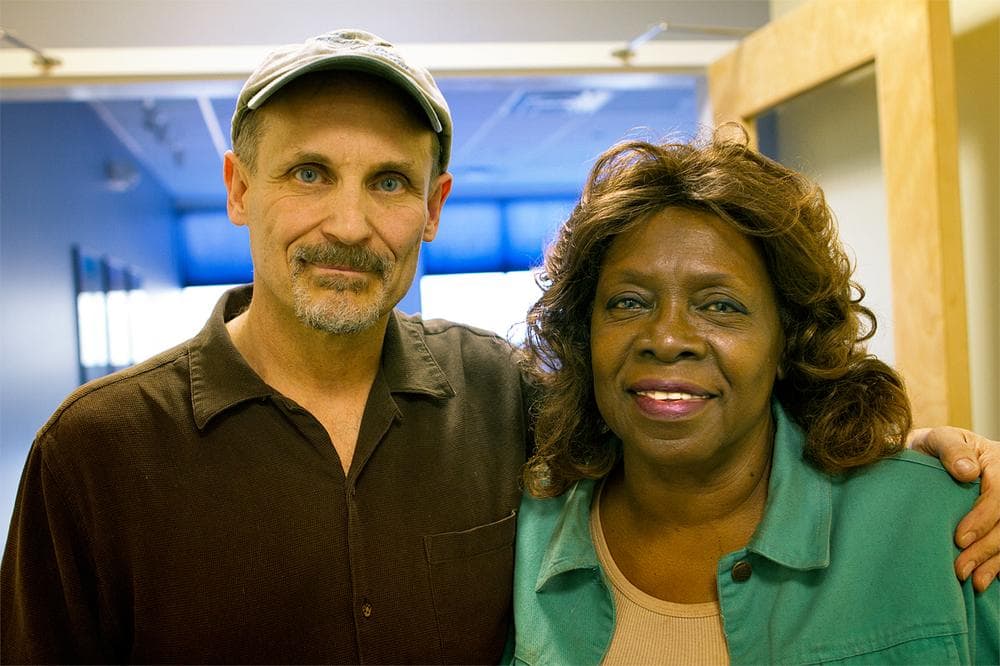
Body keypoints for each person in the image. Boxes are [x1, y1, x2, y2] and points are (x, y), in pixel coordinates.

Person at [0, 30, 997, 665]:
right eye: (309, 173)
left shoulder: (509, 400)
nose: (349, 223)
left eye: (389, 182)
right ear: (237, 188)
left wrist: (947, 461)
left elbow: (696, 419)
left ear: (433, 208)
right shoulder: (96, 451)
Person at [509, 135, 999, 664]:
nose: (668, 338)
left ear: (789, 338)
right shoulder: (522, 533)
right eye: (629, 302)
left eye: (720, 306)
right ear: (586, 335)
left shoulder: (946, 524)